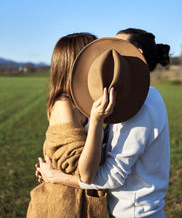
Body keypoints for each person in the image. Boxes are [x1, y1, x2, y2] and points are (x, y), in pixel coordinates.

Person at [36, 28, 170, 218]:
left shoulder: (142, 105)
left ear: (137, 54)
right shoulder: (125, 99)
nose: (106, 54)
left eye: (118, 48)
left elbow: (112, 174)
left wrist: (57, 177)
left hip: (136, 213)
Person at [27, 32, 116, 218]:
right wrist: (98, 121)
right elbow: (85, 175)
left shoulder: (85, 102)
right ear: (76, 64)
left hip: (78, 205)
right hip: (61, 208)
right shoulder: (63, 105)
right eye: (92, 55)